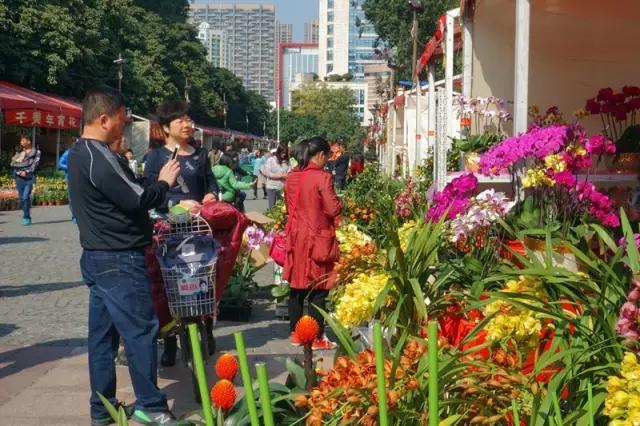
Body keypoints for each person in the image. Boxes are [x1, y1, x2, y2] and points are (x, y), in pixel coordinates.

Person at [67, 86, 182, 425]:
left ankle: (101, 408)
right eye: (121, 118)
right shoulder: (98, 156)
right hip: (118, 258)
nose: (125, 124)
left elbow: (123, 191)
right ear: (104, 119)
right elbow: (137, 199)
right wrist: (163, 183)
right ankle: (152, 405)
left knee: (102, 336)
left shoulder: (79, 153)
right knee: (140, 331)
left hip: (99, 256)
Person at [143, 100, 218, 367]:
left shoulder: (200, 155)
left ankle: (206, 328)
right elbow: (149, 195)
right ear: (165, 128)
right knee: (169, 285)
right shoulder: (155, 157)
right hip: (168, 231)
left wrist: (212, 194)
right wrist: (174, 205)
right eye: (180, 121)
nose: (187, 125)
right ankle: (171, 340)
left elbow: (211, 182)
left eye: (189, 119)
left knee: (203, 279)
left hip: (197, 228)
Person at [283, 136, 342, 351]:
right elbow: (332, 209)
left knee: (296, 287)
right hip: (318, 237)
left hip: (296, 236)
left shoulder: (292, 176)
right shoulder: (322, 177)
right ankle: (316, 337)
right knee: (319, 288)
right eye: (327, 156)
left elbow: (289, 207)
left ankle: (296, 333)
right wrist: (340, 201)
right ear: (321, 155)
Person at [10, 135, 41, 226]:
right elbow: (13, 163)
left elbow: (35, 164)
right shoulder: (19, 151)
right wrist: (20, 172)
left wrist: (26, 172)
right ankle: (26, 213)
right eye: (21, 141)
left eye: (23, 140)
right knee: (21, 198)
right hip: (19, 177)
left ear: (29, 141)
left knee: (25, 197)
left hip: (29, 177)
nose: (21, 142)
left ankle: (26, 217)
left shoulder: (37, 152)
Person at [263, 144, 290, 209]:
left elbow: (289, 173)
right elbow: (267, 173)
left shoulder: (287, 162)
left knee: (282, 207)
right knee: (272, 206)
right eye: (283, 153)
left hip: (282, 187)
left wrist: (282, 176)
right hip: (272, 186)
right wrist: (279, 176)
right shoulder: (271, 160)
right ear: (279, 152)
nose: (284, 155)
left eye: (285, 153)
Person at [57, 145, 76, 224]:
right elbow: (60, 164)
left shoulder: (86, 153)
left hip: (83, 177)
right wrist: (70, 167)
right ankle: (75, 215)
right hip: (71, 177)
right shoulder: (68, 152)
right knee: (72, 198)